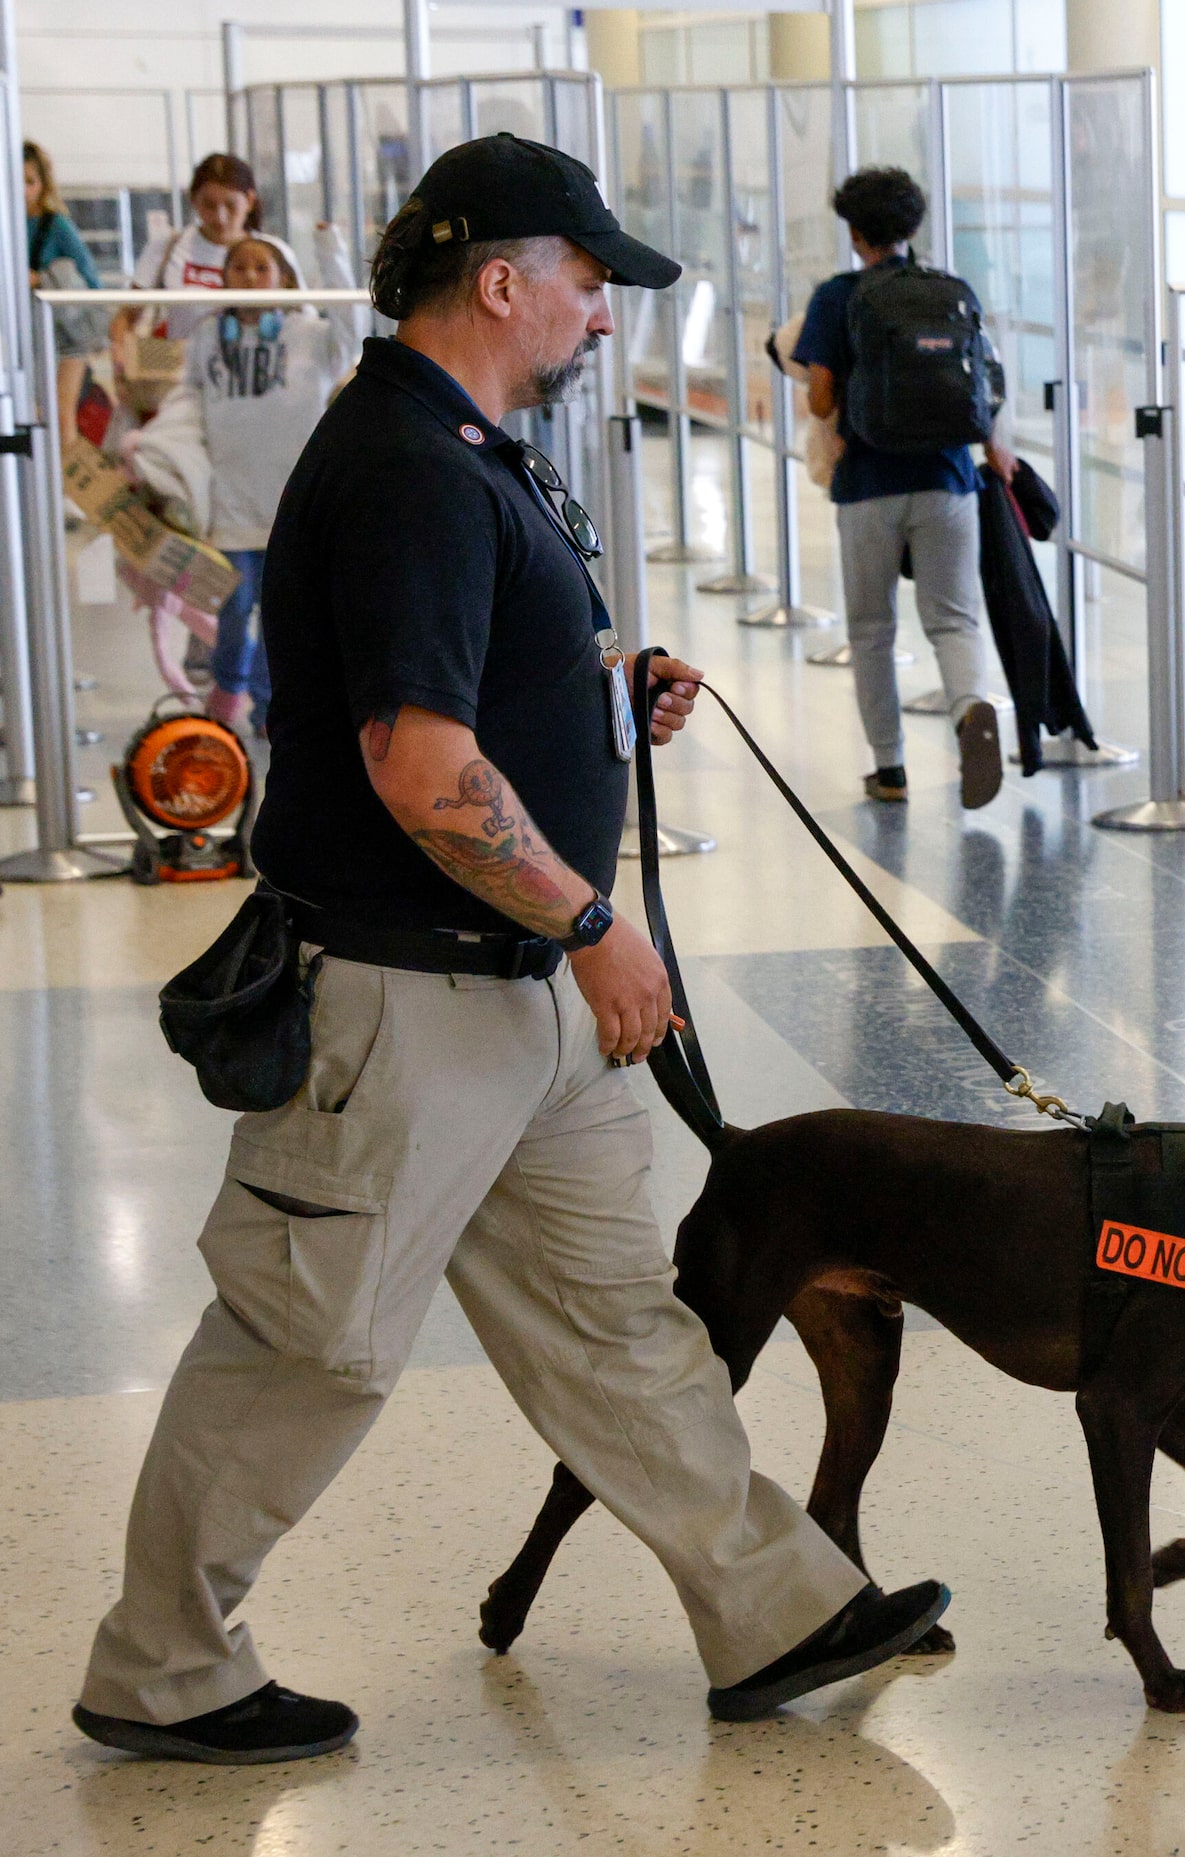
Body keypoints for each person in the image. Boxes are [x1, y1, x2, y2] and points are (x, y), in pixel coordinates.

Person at [72, 132, 945, 1768]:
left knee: (620, 1316)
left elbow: (463, 684)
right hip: (406, 1007)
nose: (605, 316)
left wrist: (602, 691)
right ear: (502, 280)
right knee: (302, 1344)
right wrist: (598, 918)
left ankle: (774, 1610)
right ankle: (163, 1667)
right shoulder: (404, 461)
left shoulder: (465, 449)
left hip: (517, 995)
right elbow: (413, 762)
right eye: (590, 281)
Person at [794, 165, 1013, 809]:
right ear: (912, 227)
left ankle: (889, 770)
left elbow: (822, 398)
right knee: (953, 621)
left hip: (868, 484)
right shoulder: (951, 289)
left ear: (856, 232)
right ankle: (970, 708)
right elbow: (984, 382)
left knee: (871, 629)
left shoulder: (838, 296)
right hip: (949, 478)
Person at [123, 235, 358, 731]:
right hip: (230, 509)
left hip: (291, 512)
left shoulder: (312, 337)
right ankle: (227, 692)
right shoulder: (210, 336)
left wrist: (331, 254)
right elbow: (186, 400)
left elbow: (349, 328)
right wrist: (153, 449)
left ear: (285, 280)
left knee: (281, 622)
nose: (250, 277)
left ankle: (270, 707)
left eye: (261, 268)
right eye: (239, 268)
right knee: (233, 615)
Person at [110, 154, 301, 402]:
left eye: (231, 205)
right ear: (194, 201)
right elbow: (127, 316)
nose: (220, 217)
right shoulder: (169, 246)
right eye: (209, 205)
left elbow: (301, 318)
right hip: (183, 382)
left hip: (258, 382)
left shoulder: (276, 252)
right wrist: (121, 354)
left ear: (250, 201)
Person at [25, 140, 100, 437]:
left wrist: (44, 280)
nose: (23, 190)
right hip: (25, 339)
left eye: (30, 181)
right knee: (32, 415)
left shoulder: (56, 225)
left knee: (60, 417)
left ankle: (59, 481)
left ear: (43, 185)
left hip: (66, 339)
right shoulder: (7, 226)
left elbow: (92, 282)